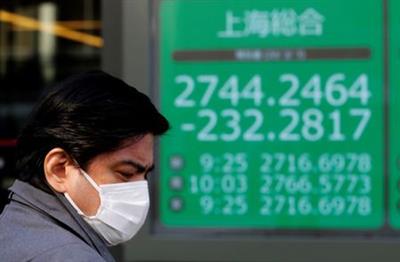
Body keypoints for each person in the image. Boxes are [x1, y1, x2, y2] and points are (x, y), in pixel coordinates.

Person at [0, 71, 170, 261]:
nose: (140, 193)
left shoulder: (16, 224)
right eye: (126, 173)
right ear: (59, 169)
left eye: (145, 175)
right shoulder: (68, 255)